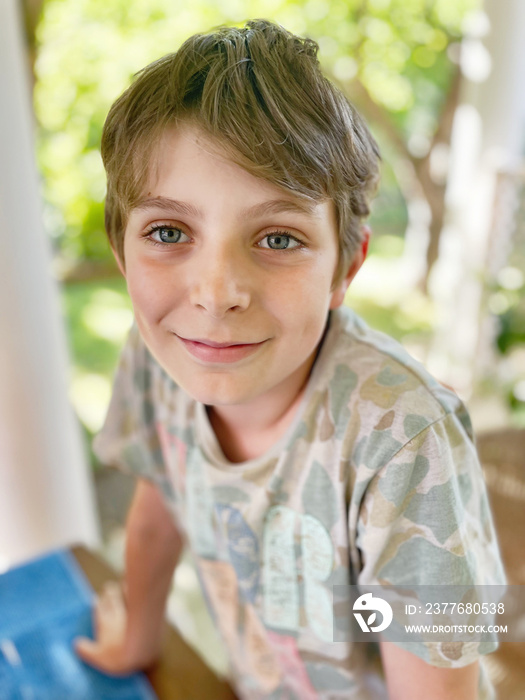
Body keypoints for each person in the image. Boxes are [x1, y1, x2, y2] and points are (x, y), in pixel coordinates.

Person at [73, 18, 505, 699]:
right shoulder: (158, 358)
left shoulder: (402, 441)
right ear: (122, 255)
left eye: (276, 238)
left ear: (345, 268)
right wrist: (139, 638)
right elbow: (159, 502)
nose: (216, 294)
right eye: (167, 231)